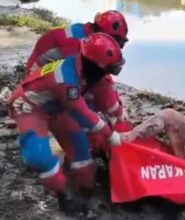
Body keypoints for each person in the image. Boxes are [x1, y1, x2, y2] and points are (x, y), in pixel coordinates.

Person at [8, 33, 124, 213]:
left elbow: (106, 94)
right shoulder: (66, 78)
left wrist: (119, 114)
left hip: (59, 109)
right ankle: (66, 194)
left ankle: (85, 194)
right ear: (96, 66)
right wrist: (110, 134)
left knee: (83, 161)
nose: (107, 74)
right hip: (30, 108)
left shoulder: (89, 72)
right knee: (41, 158)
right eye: (106, 69)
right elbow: (81, 112)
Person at [26, 10, 128, 73]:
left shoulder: (82, 30)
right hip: (36, 73)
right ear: (103, 32)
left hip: (43, 64)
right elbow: (76, 72)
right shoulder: (79, 44)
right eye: (114, 39)